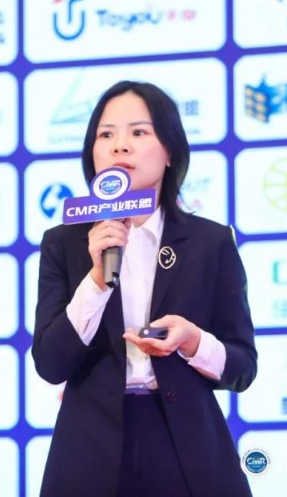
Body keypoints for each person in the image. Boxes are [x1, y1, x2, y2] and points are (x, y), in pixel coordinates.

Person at [33, 80, 257, 496]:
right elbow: (50, 363)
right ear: (92, 154)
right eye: (106, 135)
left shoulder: (210, 242)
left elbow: (243, 366)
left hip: (186, 447)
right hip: (89, 451)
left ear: (170, 151)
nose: (120, 145)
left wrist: (194, 342)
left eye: (138, 132)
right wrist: (96, 280)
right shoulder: (64, 243)